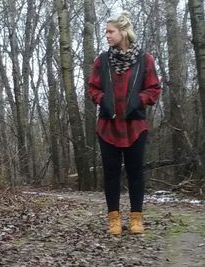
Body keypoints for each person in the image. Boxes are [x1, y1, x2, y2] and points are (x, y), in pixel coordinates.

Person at [88, 11, 161, 235]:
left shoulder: (144, 59)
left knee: (135, 172)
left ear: (123, 31)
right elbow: (93, 88)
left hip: (135, 126)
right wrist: (103, 100)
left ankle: (137, 219)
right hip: (108, 126)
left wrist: (138, 100)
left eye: (110, 31)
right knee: (110, 173)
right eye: (106, 32)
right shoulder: (102, 60)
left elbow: (154, 89)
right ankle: (114, 220)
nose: (107, 35)